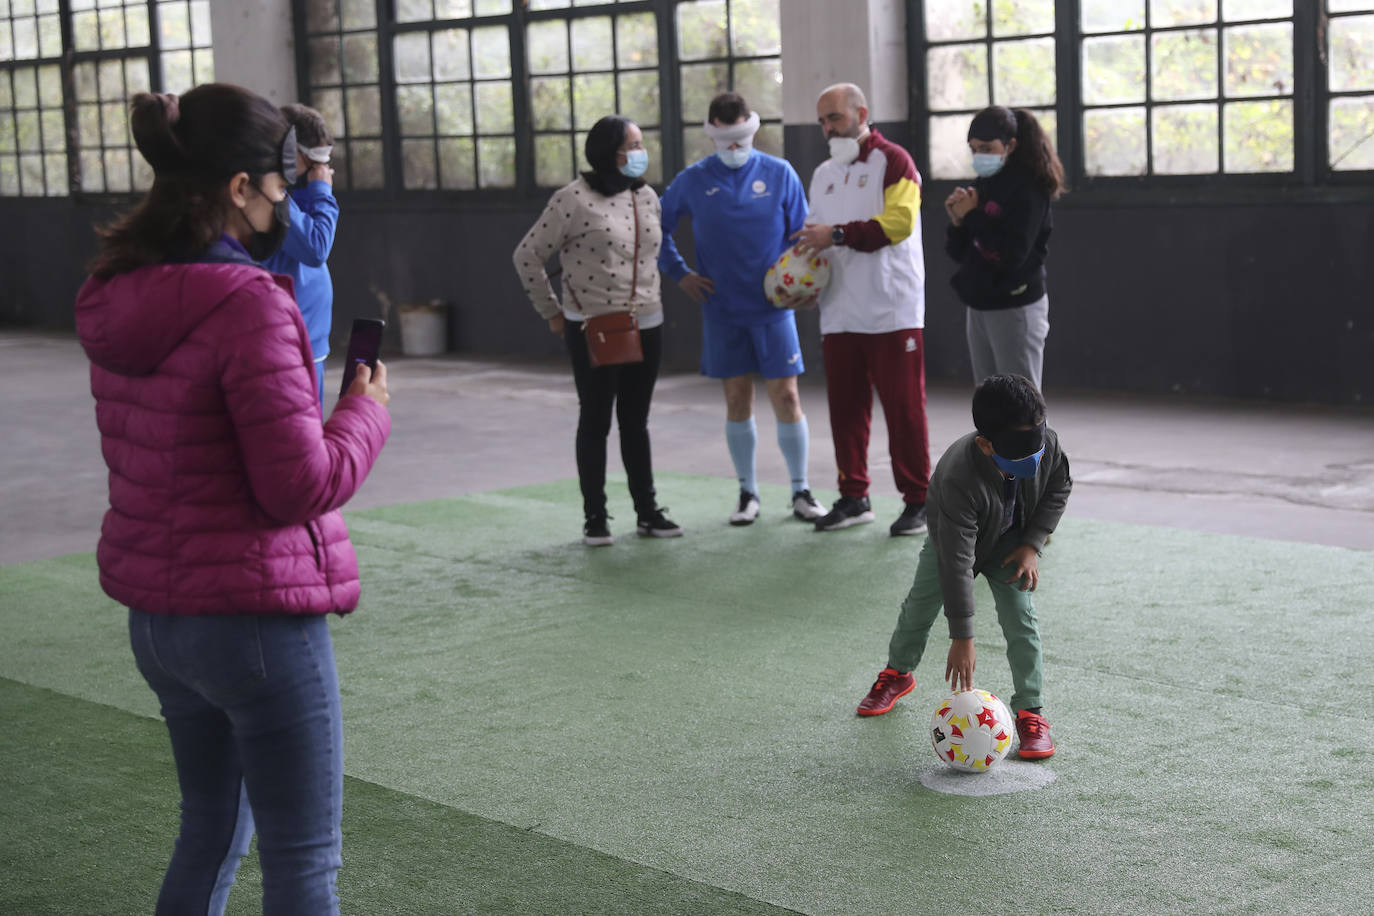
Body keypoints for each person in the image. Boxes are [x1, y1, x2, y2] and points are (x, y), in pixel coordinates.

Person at [74, 84, 391, 914]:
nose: (286, 204)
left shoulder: (117, 291)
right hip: (251, 618)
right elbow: (300, 483)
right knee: (304, 859)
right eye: (281, 186)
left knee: (208, 834)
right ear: (240, 188)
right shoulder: (251, 305)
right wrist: (364, 412)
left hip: (160, 621)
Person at [855, 374, 1070, 761]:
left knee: (1021, 619)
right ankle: (898, 672)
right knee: (919, 607)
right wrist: (963, 636)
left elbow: (1058, 488)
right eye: (1020, 454)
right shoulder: (959, 476)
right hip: (953, 541)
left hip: (1010, 542)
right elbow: (956, 561)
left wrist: (1031, 545)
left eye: (1035, 447)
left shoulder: (1046, 443)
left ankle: (1030, 711)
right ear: (986, 444)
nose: (1032, 459)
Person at [513, 115, 682, 546]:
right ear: (610, 152)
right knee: (595, 421)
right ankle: (595, 518)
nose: (642, 152)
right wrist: (550, 311)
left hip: (649, 321)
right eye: (634, 144)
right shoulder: (572, 199)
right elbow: (526, 256)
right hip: (595, 326)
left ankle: (648, 511)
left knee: (635, 421)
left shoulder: (647, 197)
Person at [659, 91, 824, 526]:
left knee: (787, 396)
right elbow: (655, 228)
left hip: (773, 308)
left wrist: (804, 284)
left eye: (741, 138)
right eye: (726, 140)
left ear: (752, 128)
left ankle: (800, 490)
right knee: (737, 398)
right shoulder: (693, 180)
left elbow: (802, 238)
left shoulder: (780, 173)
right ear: (712, 134)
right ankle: (747, 492)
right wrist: (680, 273)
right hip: (721, 309)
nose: (734, 148)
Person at [792, 83, 932, 537]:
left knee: (904, 410)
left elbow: (898, 223)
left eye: (834, 117)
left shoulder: (894, 162)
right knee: (845, 411)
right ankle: (855, 497)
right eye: (821, 120)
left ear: (861, 113)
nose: (827, 127)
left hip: (892, 309)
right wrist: (807, 282)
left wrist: (834, 235)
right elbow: (814, 237)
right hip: (838, 310)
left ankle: (919, 501)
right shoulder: (824, 172)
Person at [945, 106, 1066, 392]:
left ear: (1010, 145)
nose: (979, 157)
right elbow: (960, 252)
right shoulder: (985, 183)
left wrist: (973, 216)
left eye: (987, 148)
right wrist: (958, 221)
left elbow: (1011, 255)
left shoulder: (1030, 189)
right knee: (988, 401)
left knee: (1022, 404)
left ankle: (1036, 441)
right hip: (980, 303)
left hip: (1015, 307)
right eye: (973, 149)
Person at [262, 103, 339, 407]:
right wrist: (322, 191)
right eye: (313, 160)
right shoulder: (271, 199)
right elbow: (315, 247)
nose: (319, 169)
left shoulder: (291, 193)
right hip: (293, 341)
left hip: (310, 339)